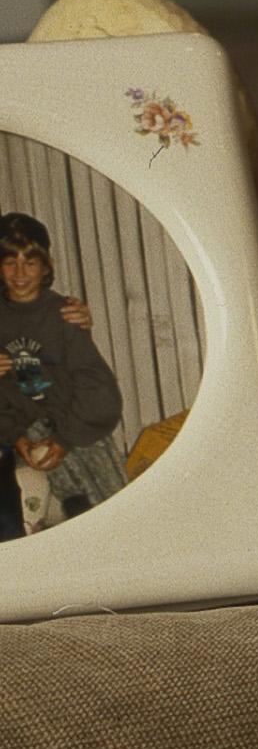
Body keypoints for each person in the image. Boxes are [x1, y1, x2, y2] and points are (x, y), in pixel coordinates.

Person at [0, 212, 125, 538]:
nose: (19, 273)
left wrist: (66, 439)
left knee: (116, 509)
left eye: (30, 262)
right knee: (77, 509)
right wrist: (16, 435)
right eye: (10, 262)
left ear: (47, 265)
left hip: (76, 421)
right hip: (31, 428)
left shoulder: (64, 314)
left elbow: (97, 387)